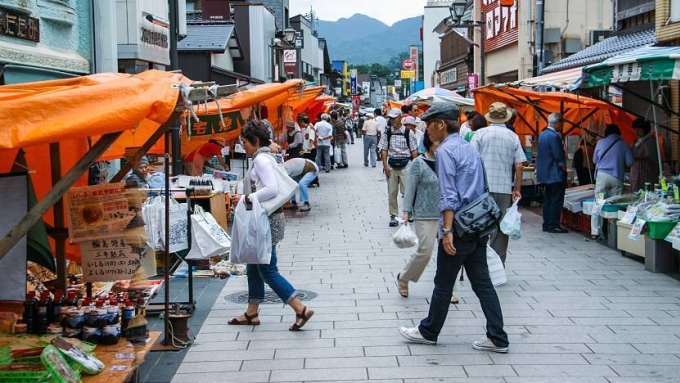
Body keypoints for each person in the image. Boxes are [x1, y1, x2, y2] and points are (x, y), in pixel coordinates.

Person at [399, 102, 509, 353]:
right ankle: (498, 337)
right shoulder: (469, 149)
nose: (426, 131)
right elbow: (482, 186)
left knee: (443, 282)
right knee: (482, 283)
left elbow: (449, 195)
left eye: (428, 125)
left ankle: (428, 331)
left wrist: (447, 231)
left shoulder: (446, 152)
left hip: (458, 227)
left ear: (440, 125)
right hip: (478, 225)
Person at [228, 122, 314, 330]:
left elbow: (272, 189)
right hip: (267, 218)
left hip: (266, 220)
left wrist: (245, 197)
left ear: (255, 142)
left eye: (245, 143)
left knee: (268, 269)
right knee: (253, 265)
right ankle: (251, 312)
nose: (243, 147)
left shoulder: (260, 160)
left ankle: (300, 308)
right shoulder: (266, 156)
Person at [470, 102, 526, 264]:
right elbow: (519, 165)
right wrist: (517, 189)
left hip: (482, 189)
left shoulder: (480, 134)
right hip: (504, 189)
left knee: (480, 226)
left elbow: (472, 161)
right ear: (506, 118)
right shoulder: (512, 136)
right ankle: (498, 265)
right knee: (501, 230)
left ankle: (479, 263)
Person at [397, 130, 443, 298]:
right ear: (429, 144)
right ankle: (404, 278)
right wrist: (406, 211)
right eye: (438, 142)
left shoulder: (447, 162)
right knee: (425, 250)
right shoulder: (418, 163)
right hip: (425, 213)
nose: (441, 145)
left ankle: (445, 290)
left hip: (446, 213)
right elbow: (410, 188)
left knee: (448, 254)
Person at [591, 124, 634, 239]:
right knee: (616, 204)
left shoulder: (600, 143)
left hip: (602, 177)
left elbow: (594, 160)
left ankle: (596, 232)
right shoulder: (623, 144)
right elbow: (630, 162)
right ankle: (613, 232)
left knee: (598, 203)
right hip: (616, 177)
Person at [378, 108, 418, 227]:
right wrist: (385, 167)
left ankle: (408, 213)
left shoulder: (408, 132)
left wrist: (415, 168)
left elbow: (414, 152)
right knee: (392, 192)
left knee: (407, 191)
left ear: (400, 118)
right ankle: (393, 216)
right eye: (390, 118)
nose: (392, 120)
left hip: (406, 165)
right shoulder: (387, 132)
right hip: (391, 165)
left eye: (394, 118)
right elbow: (384, 150)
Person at [536, 113, 568, 233]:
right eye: (561, 123)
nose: (562, 125)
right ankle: (553, 224)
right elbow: (559, 156)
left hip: (545, 172)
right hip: (555, 173)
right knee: (556, 199)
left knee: (548, 198)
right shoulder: (554, 137)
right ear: (557, 123)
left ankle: (547, 223)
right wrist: (563, 167)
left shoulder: (543, 134)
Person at [630, 118, 660, 192]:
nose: (636, 132)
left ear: (645, 129)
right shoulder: (636, 141)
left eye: (639, 130)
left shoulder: (651, 141)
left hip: (647, 174)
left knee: (646, 194)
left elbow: (651, 158)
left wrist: (636, 158)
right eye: (635, 129)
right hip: (635, 173)